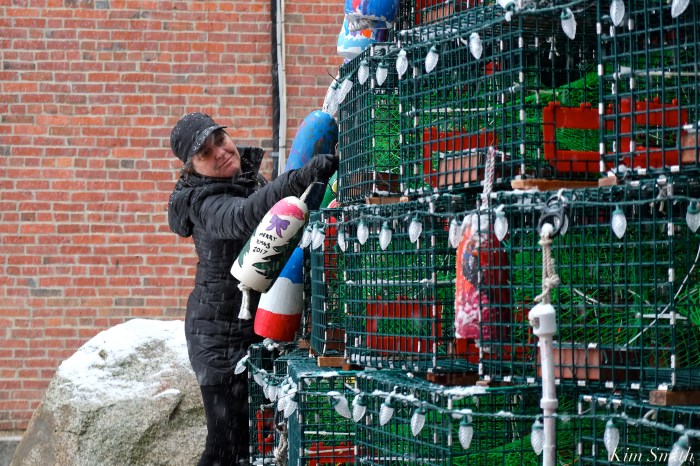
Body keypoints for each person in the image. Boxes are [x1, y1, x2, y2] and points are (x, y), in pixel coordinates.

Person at [167, 112, 337, 466]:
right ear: (192, 167)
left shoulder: (247, 179)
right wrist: (298, 179)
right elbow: (243, 216)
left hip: (253, 331)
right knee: (225, 449)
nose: (219, 152)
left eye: (219, 139)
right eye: (204, 153)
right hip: (218, 340)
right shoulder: (202, 203)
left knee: (251, 447)